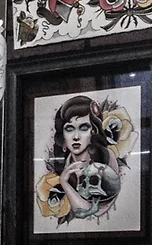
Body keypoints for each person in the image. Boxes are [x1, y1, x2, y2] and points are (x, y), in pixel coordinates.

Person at [39, 95, 122, 223]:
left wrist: (65, 183)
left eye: (84, 128)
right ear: (63, 135)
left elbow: (90, 211)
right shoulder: (60, 165)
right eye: (69, 129)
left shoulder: (106, 158)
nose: (76, 136)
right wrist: (63, 181)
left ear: (94, 131)